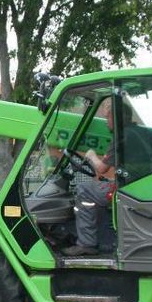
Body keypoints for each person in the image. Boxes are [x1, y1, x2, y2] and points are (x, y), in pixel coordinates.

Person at [62, 103, 120, 257]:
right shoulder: (137, 133)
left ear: (114, 117)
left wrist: (91, 155)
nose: (106, 122)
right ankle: (101, 237)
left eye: (107, 117)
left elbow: (101, 169)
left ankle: (86, 243)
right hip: (130, 185)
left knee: (84, 189)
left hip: (122, 188)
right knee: (96, 187)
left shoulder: (121, 137)